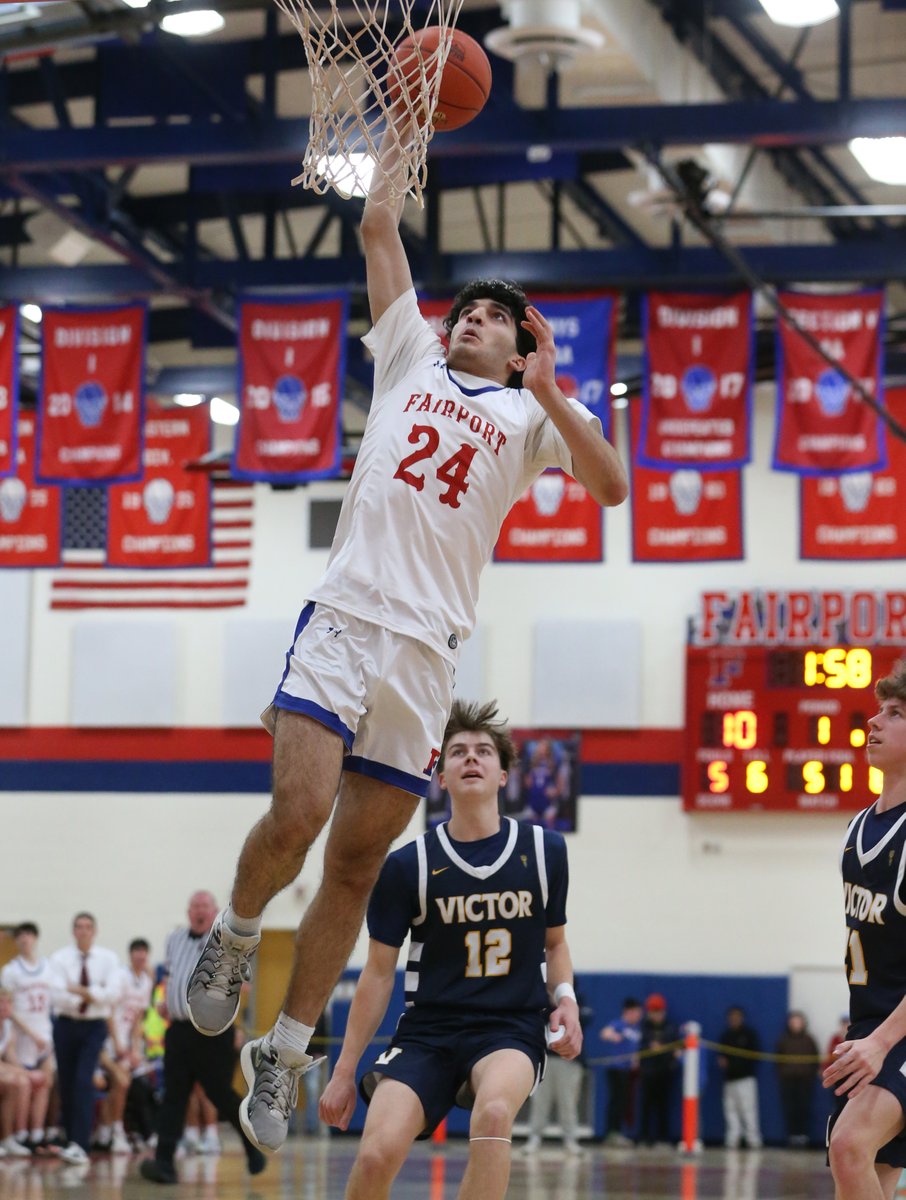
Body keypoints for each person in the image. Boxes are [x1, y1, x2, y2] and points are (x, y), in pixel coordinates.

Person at [184, 99, 627, 1158]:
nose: (470, 316)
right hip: (347, 619)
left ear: (521, 346)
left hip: (427, 655)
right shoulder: (410, 357)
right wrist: (404, 125)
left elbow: (611, 485)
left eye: (491, 317)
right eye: (466, 308)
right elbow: (381, 227)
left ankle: (286, 1054)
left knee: (353, 866)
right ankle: (236, 941)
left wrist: (556, 393)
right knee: (297, 812)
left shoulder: (530, 423)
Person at [319, 699, 582, 1200]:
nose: (471, 759)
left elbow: (556, 943)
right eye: (457, 752)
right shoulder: (407, 866)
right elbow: (377, 974)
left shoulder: (545, 851)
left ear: (503, 774)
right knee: (375, 1153)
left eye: (484, 751)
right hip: (428, 1031)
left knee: (495, 1113)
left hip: (510, 1027)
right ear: (441, 778)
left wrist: (566, 997)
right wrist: (345, 1070)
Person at [824, 658, 906, 1200]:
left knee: (849, 1146)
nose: (874, 722)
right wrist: (868, 1038)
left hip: (894, 1031)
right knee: (865, 1177)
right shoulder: (859, 827)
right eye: (878, 710)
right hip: (870, 1026)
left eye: (895, 713)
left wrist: (880, 1042)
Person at [139, 892, 265, 1184]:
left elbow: (243, 985)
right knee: (174, 1096)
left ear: (214, 912)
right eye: (194, 906)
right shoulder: (174, 939)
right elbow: (171, 976)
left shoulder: (228, 940)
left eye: (204, 907)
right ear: (188, 912)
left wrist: (236, 1023)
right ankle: (164, 1164)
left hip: (213, 1033)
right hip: (179, 1031)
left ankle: (251, 1147)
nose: (198, 911)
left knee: (220, 1094)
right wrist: (169, 1001)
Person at [49, 912, 122, 1165]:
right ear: (73, 931)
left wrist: (78, 990)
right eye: (79, 927)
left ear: (95, 931)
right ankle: (71, 1139)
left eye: (88, 927)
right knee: (67, 1082)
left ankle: (82, 1144)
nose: (83, 931)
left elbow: (111, 995)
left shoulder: (108, 959)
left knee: (83, 1079)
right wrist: (93, 994)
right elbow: (57, 996)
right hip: (65, 1025)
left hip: (94, 1027)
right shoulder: (59, 959)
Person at [0, 922, 56, 1152]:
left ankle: (37, 1133)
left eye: (29, 935)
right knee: (24, 1083)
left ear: (35, 938)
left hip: (45, 1033)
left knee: (46, 1082)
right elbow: (8, 1008)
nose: (25, 940)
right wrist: (31, 1033)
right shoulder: (11, 970)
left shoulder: (48, 967)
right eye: (20, 936)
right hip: (24, 1035)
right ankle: (18, 1134)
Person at [96, 937, 153, 1154]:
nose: (140, 955)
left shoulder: (146, 982)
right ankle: (117, 1131)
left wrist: (136, 1049)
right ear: (130, 955)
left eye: (143, 951)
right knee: (121, 1082)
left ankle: (106, 1128)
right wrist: (118, 1043)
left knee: (123, 1085)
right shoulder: (120, 976)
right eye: (136, 951)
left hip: (126, 1045)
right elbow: (109, 1012)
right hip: (107, 1043)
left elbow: (138, 1018)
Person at [524, 982, 591, 1155]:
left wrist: (565, 1005)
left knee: (568, 1101)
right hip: (545, 1059)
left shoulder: (577, 1003)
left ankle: (570, 1140)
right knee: (540, 1101)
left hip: (568, 1061)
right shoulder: (540, 1002)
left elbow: (586, 1018)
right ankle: (534, 1137)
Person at [717, 1005, 762, 1150]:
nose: (734, 1019)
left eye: (737, 1016)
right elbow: (722, 1056)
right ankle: (733, 1139)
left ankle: (753, 1139)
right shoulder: (726, 1035)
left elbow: (754, 1055)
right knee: (730, 1110)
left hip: (745, 1079)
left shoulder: (749, 1035)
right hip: (729, 1079)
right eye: (732, 1017)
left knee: (748, 1109)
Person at [600, 996, 643, 1146]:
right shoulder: (619, 1024)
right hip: (616, 1069)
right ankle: (612, 1133)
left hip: (628, 1071)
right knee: (616, 1101)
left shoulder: (636, 1029)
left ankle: (618, 1132)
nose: (638, 1016)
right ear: (628, 1012)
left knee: (625, 1101)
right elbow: (605, 1032)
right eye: (636, 1012)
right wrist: (613, 1036)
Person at [638, 993, 679, 1147]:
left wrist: (663, 1049)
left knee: (663, 1105)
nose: (656, 1015)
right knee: (646, 1105)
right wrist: (649, 1048)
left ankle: (663, 1138)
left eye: (658, 1012)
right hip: (647, 1071)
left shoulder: (670, 1027)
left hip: (665, 1071)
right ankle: (644, 1137)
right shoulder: (643, 1027)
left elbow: (676, 1048)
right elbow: (638, 1046)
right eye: (653, 1012)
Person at [776, 1010, 818, 1147]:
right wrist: (784, 1073)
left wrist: (810, 1074)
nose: (795, 1024)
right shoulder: (784, 1040)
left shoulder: (809, 1040)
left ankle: (803, 1137)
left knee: (803, 1108)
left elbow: (815, 1060)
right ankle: (792, 1137)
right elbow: (778, 1060)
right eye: (793, 1021)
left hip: (804, 1081)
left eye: (798, 1021)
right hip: (788, 1080)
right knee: (790, 1108)